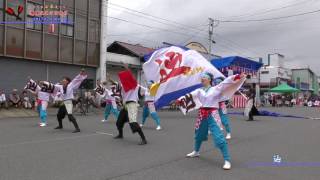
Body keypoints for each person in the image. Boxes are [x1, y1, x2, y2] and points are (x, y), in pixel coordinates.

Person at [176, 72, 246, 170]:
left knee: (219, 137)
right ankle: (196, 151)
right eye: (202, 77)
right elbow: (190, 96)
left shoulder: (216, 89)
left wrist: (236, 77)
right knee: (198, 134)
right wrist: (181, 100)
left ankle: (227, 160)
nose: (202, 78)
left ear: (209, 79)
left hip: (213, 114)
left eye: (205, 77)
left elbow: (226, 83)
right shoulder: (199, 90)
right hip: (202, 114)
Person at [114, 63, 147, 145]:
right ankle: (120, 135)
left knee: (133, 122)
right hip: (125, 106)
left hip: (132, 104)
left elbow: (145, 90)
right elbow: (120, 91)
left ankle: (144, 139)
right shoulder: (123, 86)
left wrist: (127, 68)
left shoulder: (135, 85)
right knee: (119, 122)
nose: (121, 80)